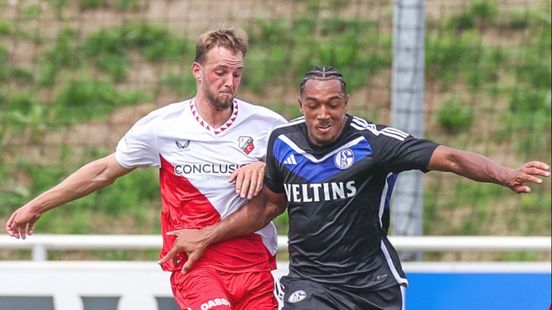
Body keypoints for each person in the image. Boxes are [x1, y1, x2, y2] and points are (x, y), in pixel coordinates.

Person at [160, 66, 551, 310]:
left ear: (346, 103)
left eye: (333, 104)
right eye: (313, 104)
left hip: (372, 283)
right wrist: (207, 236)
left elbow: (448, 157)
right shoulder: (282, 143)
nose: (323, 114)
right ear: (301, 103)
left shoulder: (375, 143)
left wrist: (504, 174)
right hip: (311, 283)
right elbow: (267, 207)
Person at [5, 27, 287, 310]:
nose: (229, 82)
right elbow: (103, 171)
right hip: (196, 264)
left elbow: (302, 177)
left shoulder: (268, 126)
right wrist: (37, 205)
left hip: (253, 262)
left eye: (237, 74)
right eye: (221, 72)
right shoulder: (162, 126)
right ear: (197, 70)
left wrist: (266, 168)